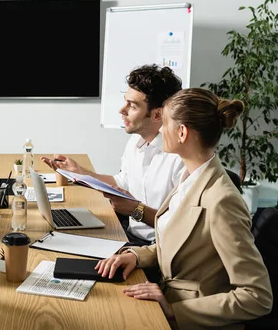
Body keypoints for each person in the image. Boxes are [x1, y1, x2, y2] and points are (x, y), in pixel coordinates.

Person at [95, 88, 273, 330]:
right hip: (162, 300)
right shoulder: (190, 178)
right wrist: (135, 256)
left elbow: (257, 296)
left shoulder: (223, 200)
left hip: (189, 319)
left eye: (165, 123)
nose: (160, 130)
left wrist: (174, 309)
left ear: (181, 132)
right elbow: (181, 243)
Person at [42, 64, 185, 247]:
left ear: (157, 114)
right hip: (129, 234)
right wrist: (81, 172)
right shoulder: (135, 142)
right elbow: (122, 182)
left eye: (132, 106)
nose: (121, 110)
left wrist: (135, 210)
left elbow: (180, 226)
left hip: (157, 248)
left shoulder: (179, 158)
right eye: (125, 101)